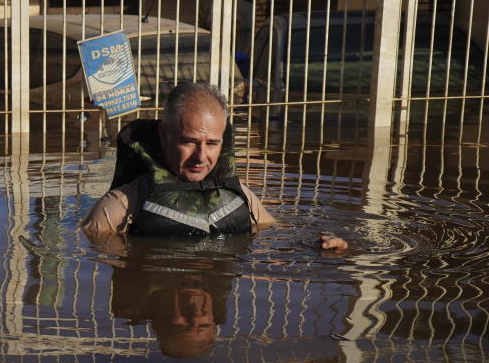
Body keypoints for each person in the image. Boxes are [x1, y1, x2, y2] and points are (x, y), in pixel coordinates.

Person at [80, 82, 348, 251]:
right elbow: (94, 251)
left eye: (212, 143)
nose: (201, 156)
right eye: (190, 142)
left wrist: (321, 243)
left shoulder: (238, 195)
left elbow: (275, 233)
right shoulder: (121, 205)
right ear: (164, 135)